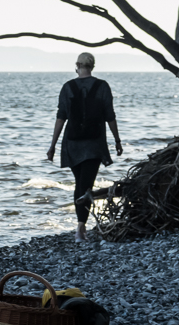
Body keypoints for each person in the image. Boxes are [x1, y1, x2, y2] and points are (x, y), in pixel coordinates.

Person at [46, 52, 123, 241]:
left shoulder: (68, 87)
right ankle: (81, 227)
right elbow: (110, 116)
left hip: (72, 142)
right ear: (92, 66)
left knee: (79, 183)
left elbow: (61, 117)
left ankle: (80, 225)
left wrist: (53, 145)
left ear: (77, 65)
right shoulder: (102, 86)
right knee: (85, 184)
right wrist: (117, 140)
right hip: (94, 143)